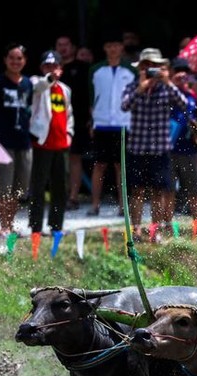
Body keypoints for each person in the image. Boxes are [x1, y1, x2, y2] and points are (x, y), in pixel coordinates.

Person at [120, 47, 188, 234]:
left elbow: (184, 104)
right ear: (140, 67)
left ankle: (154, 231)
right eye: (146, 66)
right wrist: (142, 87)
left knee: (160, 191)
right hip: (137, 147)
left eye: (154, 66)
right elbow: (124, 105)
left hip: (160, 148)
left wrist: (168, 82)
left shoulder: (166, 88)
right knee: (137, 191)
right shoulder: (133, 86)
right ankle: (136, 229)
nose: (150, 69)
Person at [0, 42, 33, 233]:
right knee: (3, 188)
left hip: (24, 142)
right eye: (11, 57)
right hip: (2, 143)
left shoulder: (28, 84)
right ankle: (4, 226)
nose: (15, 61)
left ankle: (10, 225)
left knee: (19, 190)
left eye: (19, 58)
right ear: (5, 60)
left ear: (25, 61)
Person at [88, 33, 137, 216]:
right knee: (99, 164)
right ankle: (95, 204)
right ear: (105, 48)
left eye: (116, 45)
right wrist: (92, 120)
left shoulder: (130, 71)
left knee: (120, 165)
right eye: (109, 46)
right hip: (101, 124)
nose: (113, 49)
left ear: (121, 48)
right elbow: (91, 98)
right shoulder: (96, 70)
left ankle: (123, 205)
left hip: (123, 124)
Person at [28, 50, 74, 236]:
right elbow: (37, 87)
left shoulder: (65, 89)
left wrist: (69, 133)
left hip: (60, 144)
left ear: (60, 68)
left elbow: (69, 114)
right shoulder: (36, 83)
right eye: (47, 66)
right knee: (38, 187)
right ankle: (36, 227)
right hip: (42, 143)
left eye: (55, 65)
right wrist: (48, 78)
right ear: (42, 68)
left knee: (59, 188)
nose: (52, 69)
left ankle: (56, 225)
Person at [164, 57, 197, 229]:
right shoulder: (165, 93)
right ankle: (166, 225)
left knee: (194, 190)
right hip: (168, 149)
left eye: (186, 73)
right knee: (169, 190)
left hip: (189, 150)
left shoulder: (192, 96)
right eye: (178, 72)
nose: (182, 75)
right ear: (171, 73)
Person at [55, 35, 91, 210]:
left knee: (74, 157)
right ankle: (58, 194)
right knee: (56, 159)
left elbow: (89, 95)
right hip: (54, 120)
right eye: (59, 45)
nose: (63, 48)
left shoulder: (83, 68)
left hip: (77, 120)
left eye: (66, 45)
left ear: (73, 47)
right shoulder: (51, 70)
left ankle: (73, 196)